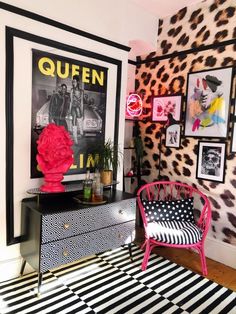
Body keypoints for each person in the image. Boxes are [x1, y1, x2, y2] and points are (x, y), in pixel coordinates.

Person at [69, 75, 84, 144]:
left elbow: (82, 103)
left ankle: (81, 132)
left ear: (77, 82)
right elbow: (71, 101)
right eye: (73, 82)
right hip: (73, 108)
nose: (73, 83)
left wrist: (82, 112)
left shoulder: (81, 91)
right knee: (74, 122)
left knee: (78, 112)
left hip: (78, 108)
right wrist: (69, 111)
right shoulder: (72, 90)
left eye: (74, 82)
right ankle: (75, 140)